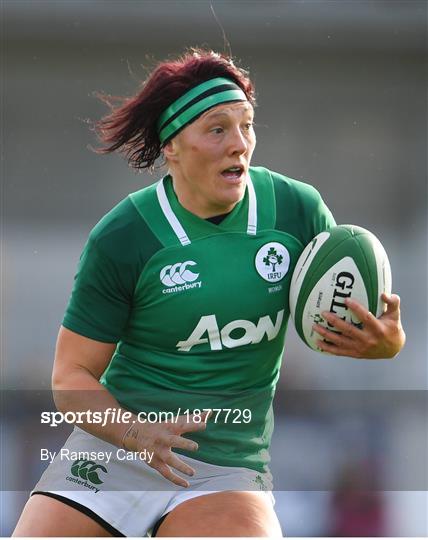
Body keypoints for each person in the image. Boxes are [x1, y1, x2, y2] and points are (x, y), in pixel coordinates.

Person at [13, 48, 405, 537]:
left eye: (247, 125)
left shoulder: (295, 211)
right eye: (218, 129)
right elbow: (71, 376)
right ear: (172, 145)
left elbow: (350, 319)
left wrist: (386, 343)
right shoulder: (125, 236)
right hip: (116, 449)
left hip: (224, 465)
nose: (239, 144)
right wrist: (136, 434)